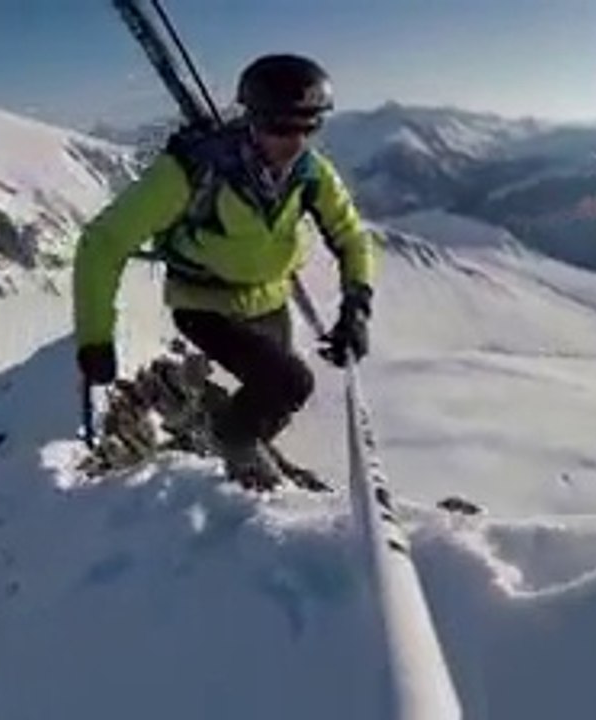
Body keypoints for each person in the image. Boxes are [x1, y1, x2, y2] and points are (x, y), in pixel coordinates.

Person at [73, 54, 376, 491]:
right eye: (281, 127)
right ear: (253, 119)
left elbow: (351, 236)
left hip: (269, 302)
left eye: (309, 127)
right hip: (204, 304)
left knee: (274, 400)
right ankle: (229, 462)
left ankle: (220, 453)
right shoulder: (192, 171)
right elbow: (103, 242)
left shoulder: (310, 173)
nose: (295, 141)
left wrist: (357, 306)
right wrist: (95, 340)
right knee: (289, 383)